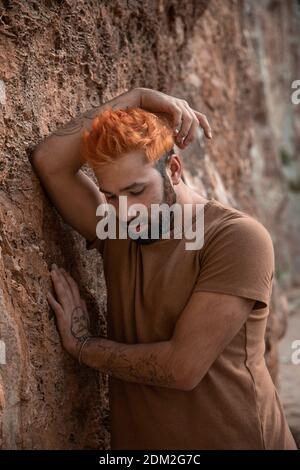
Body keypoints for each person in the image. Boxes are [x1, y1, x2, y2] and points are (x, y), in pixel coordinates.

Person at [30, 87, 297, 450]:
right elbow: (49, 160)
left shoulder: (236, 238)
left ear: (173, 169)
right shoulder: (117, 228)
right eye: (111, 196)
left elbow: (181, 367)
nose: (126, 210)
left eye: (137, 190)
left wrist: (82, 346)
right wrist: (137, 98)